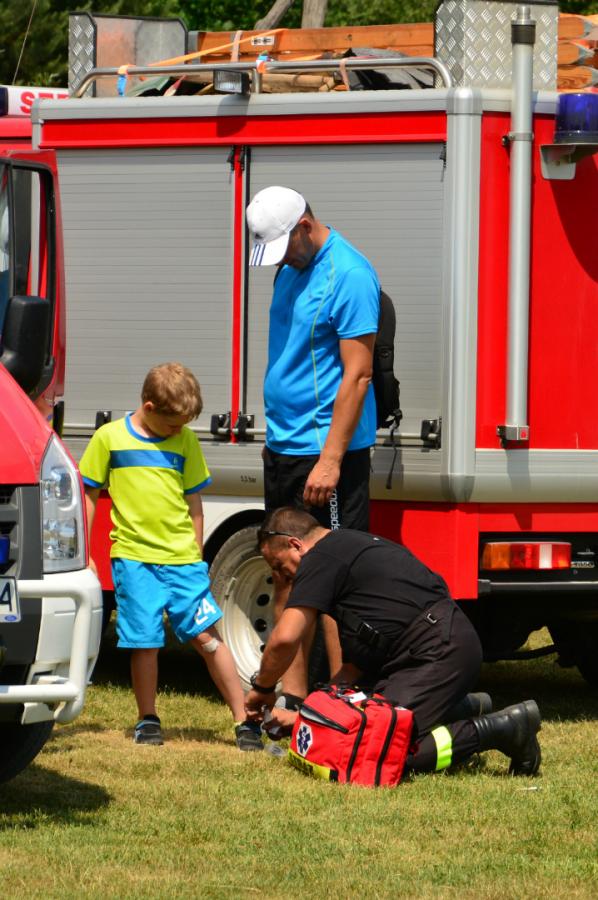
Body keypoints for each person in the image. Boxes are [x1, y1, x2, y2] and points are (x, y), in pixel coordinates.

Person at [245, 507, 542, 777]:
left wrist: (262, 690)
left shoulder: (320, 558)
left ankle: (504, 729)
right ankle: (463, 708)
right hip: (437, 646)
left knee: (386, 749)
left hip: (439, 651)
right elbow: (352, 671)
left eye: (279, 565)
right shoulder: (345, 552)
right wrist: (308, 717)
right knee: (360, 728)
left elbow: (285, 639)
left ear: (295, 545)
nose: (281, 576)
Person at [79, 362, 263, 751]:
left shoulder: (185, 441)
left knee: (207, 637)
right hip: (134, 561)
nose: (178, 431)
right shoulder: (109, 439)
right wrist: (85, 551)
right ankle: (148, 719)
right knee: (145, 642)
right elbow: (89, 496)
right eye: (172, 424)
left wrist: (196, 553)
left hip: (182, 562)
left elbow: (193, 502)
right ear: (148, 407)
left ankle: (243, 720)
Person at [246, 185, 380, 702]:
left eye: (286, 248)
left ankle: (343, 703)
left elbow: (358, 375)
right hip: (285, 447)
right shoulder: (289, 268)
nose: (282, 260)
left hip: (323, 457)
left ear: (305, 225)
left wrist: (330, 460)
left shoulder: (350, 274)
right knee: (286, 572)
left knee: (337, 581)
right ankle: (293, 700)